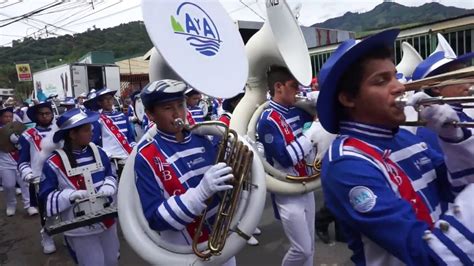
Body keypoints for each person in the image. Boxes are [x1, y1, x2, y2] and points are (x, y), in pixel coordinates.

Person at [316, 29, 474, 265]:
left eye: (395, 76)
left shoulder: (406, 138)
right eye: (381, 81)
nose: (400, 87)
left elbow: (456, 189)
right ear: (348, 99)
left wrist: (455, 138)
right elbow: (424, 255)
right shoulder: (346, 164)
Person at [134, 79, 236, 266]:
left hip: (222, 237)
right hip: (186, 249)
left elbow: (225, 186)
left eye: (181, 105)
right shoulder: (146, 156)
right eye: (167, 108)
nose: (178, 113)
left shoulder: (203, 138)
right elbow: (155, 218)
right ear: (150, 114)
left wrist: (232, 160)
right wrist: (201, 193)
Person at [38, 108, 119, 266]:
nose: (92, 131)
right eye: (86, 129)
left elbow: (111, 174)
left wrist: (109, 184)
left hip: (107, 219)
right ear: (72, 134)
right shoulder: (53, 162)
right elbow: (45, 197)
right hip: (79, 226)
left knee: (111, 260)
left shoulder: (100, 152)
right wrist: (68, 195)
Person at [256, 65, 320, 266]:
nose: (298, 91)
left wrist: (320, 108)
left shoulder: (298, 111)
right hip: (288, 191)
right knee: (301, 249)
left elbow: (322, 130)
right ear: (278, 87)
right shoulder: (267, 120)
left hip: (307, 184)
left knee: (310, 247)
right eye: (293, 86)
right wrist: (311, 134)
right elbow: (285, 158)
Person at [411, 33, 474, 158]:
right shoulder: (433, 127)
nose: (470, 79)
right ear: (435, 87)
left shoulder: (462, 115)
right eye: (459, 76)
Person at [17, 101, 57, 254]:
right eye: (42, 114)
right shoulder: (27, 135)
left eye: (48, 113)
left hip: (61, 175)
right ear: (36, 116)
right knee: (46, 212)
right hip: (41, 177)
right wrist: (27, 173)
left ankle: (69, 234)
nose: (46, 116)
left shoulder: (60, 131)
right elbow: (22, 160)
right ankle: (47, 236)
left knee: (67, 207)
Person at [0, 106, 36, 216]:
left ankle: (29, 205)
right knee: (9, 185)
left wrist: (19, 139)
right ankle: (11, 204)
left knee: (25, 184)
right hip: (5, 163)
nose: (8, 118)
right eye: (5, 116)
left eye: (10, 116)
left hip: (19, 161)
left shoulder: (17, 127)